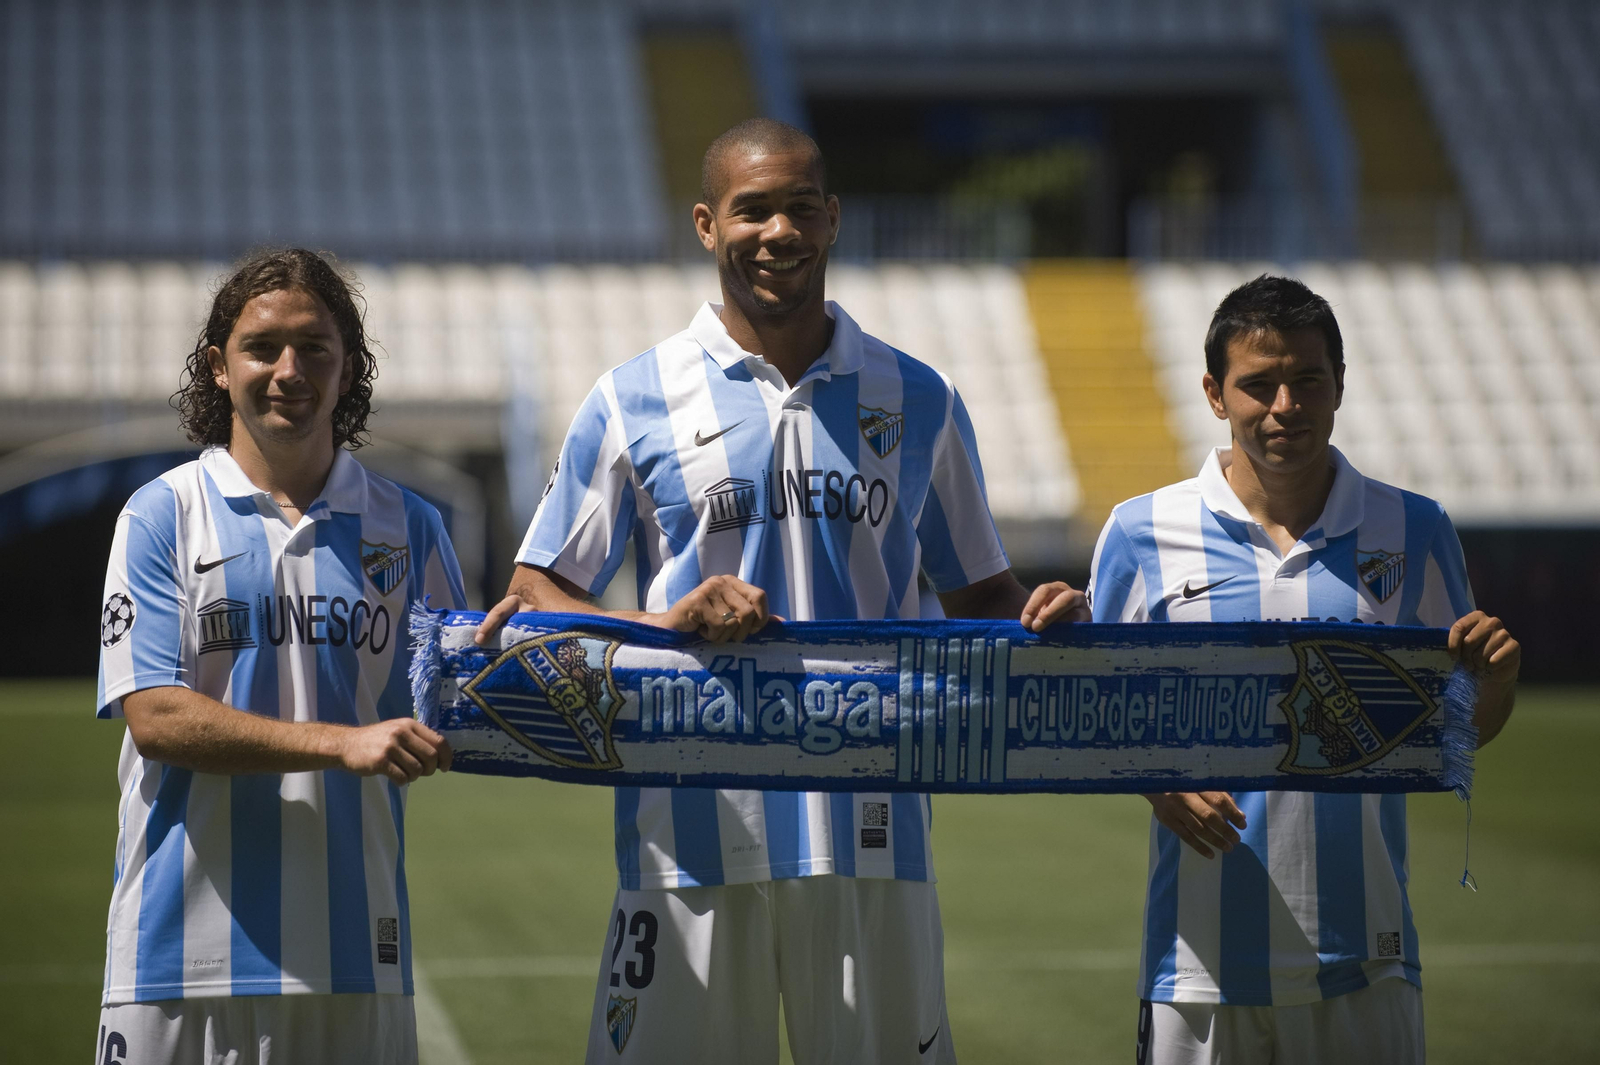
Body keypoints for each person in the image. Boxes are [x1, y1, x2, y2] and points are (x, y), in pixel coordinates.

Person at [475, 118, 1088, 1064]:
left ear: (834, 218)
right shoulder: (632, 396)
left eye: (801, 206)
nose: (778, 230)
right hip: (686, 824)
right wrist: (662, 620)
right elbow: (534, 592)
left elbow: (982, 592)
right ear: (705, 225)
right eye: (752, 209)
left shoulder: (918, 396)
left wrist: (1043, 610)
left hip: (874, 826)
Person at [1088, 274, 1520, 1065]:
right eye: (1259, 384)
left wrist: (1495, 684)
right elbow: (1095, 713)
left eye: (1307, 379)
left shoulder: (1413, 528)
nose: (1285, 403)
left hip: (1367, 960)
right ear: (1216, 394)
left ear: (1340, 385)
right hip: (1197, 968)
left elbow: (1456, 731)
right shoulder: (1140, 529)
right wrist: (1159, 779)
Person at [94, 248, 467, 1065]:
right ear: (218, 367)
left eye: (315, 348)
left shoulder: (409, 527)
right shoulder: (162, 516)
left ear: (349, 369)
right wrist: (343, 741)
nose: (289, 369)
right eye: (263, 347)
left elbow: (478, 699)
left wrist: (654, 628)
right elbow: (155, 717)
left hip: (355, 964)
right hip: (177, 960)